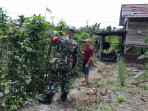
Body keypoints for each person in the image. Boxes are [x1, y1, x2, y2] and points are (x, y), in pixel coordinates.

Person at [38, 28, 78, 104]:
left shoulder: (60, 39)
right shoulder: (75, 43)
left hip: (60, 62)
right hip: (69, 63)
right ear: (73, 34)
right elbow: (75, 56)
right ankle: (64, 98)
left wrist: (54, 33)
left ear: (66, 33)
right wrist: (73, 66)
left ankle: (48, 99)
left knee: (54, 79)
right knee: (66, 80)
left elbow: (52, 39)